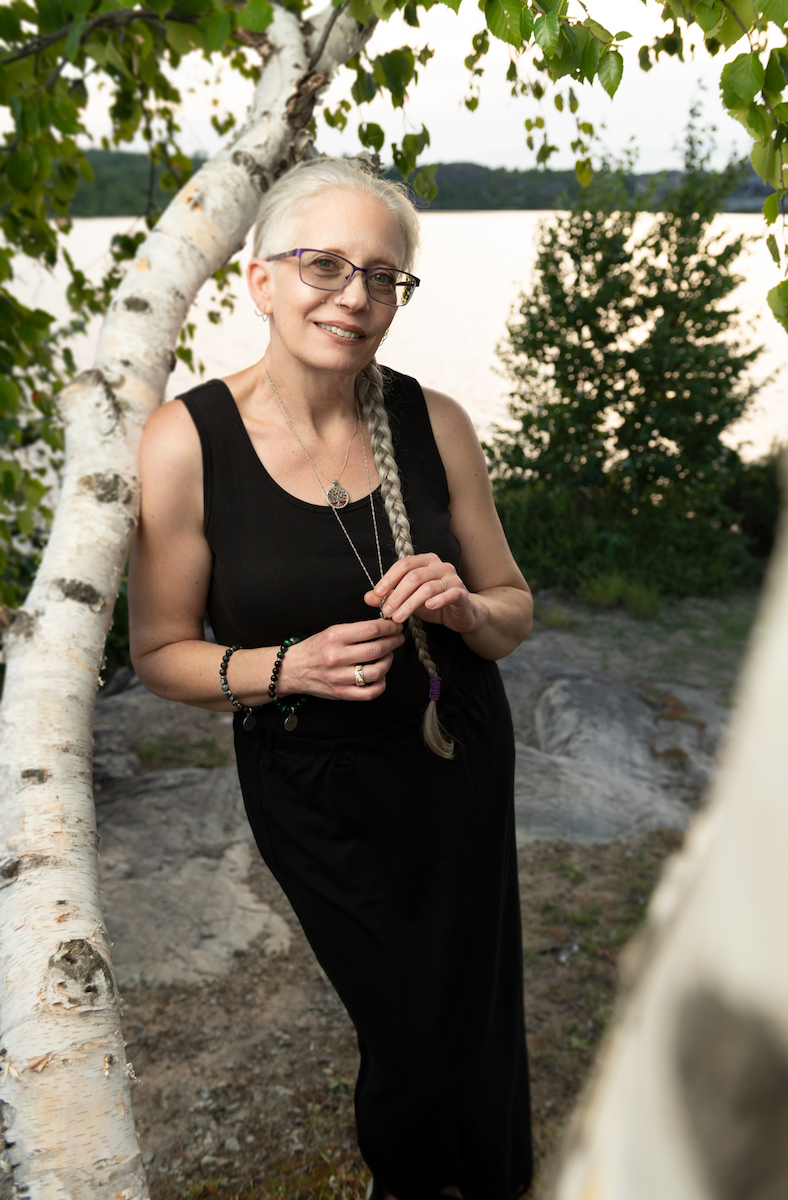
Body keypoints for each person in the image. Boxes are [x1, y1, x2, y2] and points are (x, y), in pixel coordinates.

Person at [129, 155, 534, 1200]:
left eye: (381, 276)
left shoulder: (433, 422)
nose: (353, 297)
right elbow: (158, 652)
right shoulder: (184, 443)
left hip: (455, 761)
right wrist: (283, 667)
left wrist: (458, 605)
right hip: (315, 794)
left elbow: (512, 611)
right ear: (259, 280)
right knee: (406, 1032)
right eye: (322, 266)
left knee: (472, 1016)